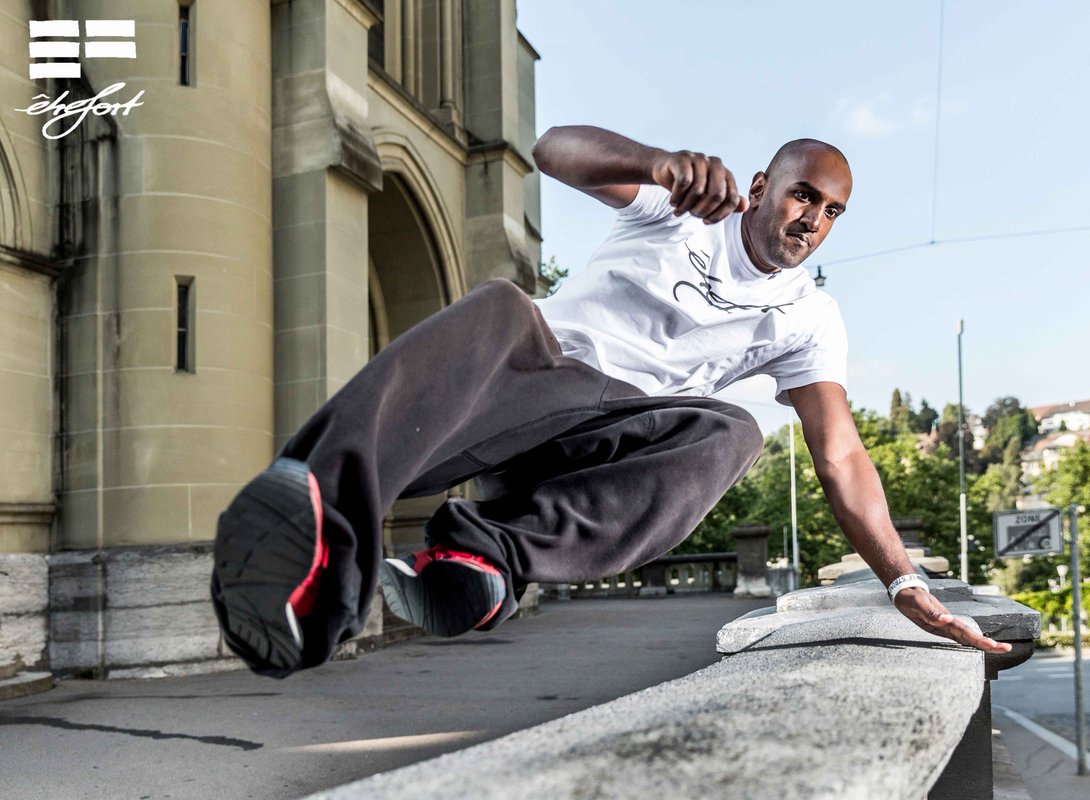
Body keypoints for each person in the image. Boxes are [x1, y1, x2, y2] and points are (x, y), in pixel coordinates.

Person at [209, 125, 1011, 679]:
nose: (813, 221)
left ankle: (482, 557)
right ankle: (316, 535)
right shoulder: (685, 209)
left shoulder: (809, 318)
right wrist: (657, 162)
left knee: (733, 430)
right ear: (764, 187)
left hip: (607, 444)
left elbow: (840, 456)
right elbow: (554, 150)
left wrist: (906, 584)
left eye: (832, 213)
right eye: (804, 196)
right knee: (501, 305)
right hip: (521, 384)